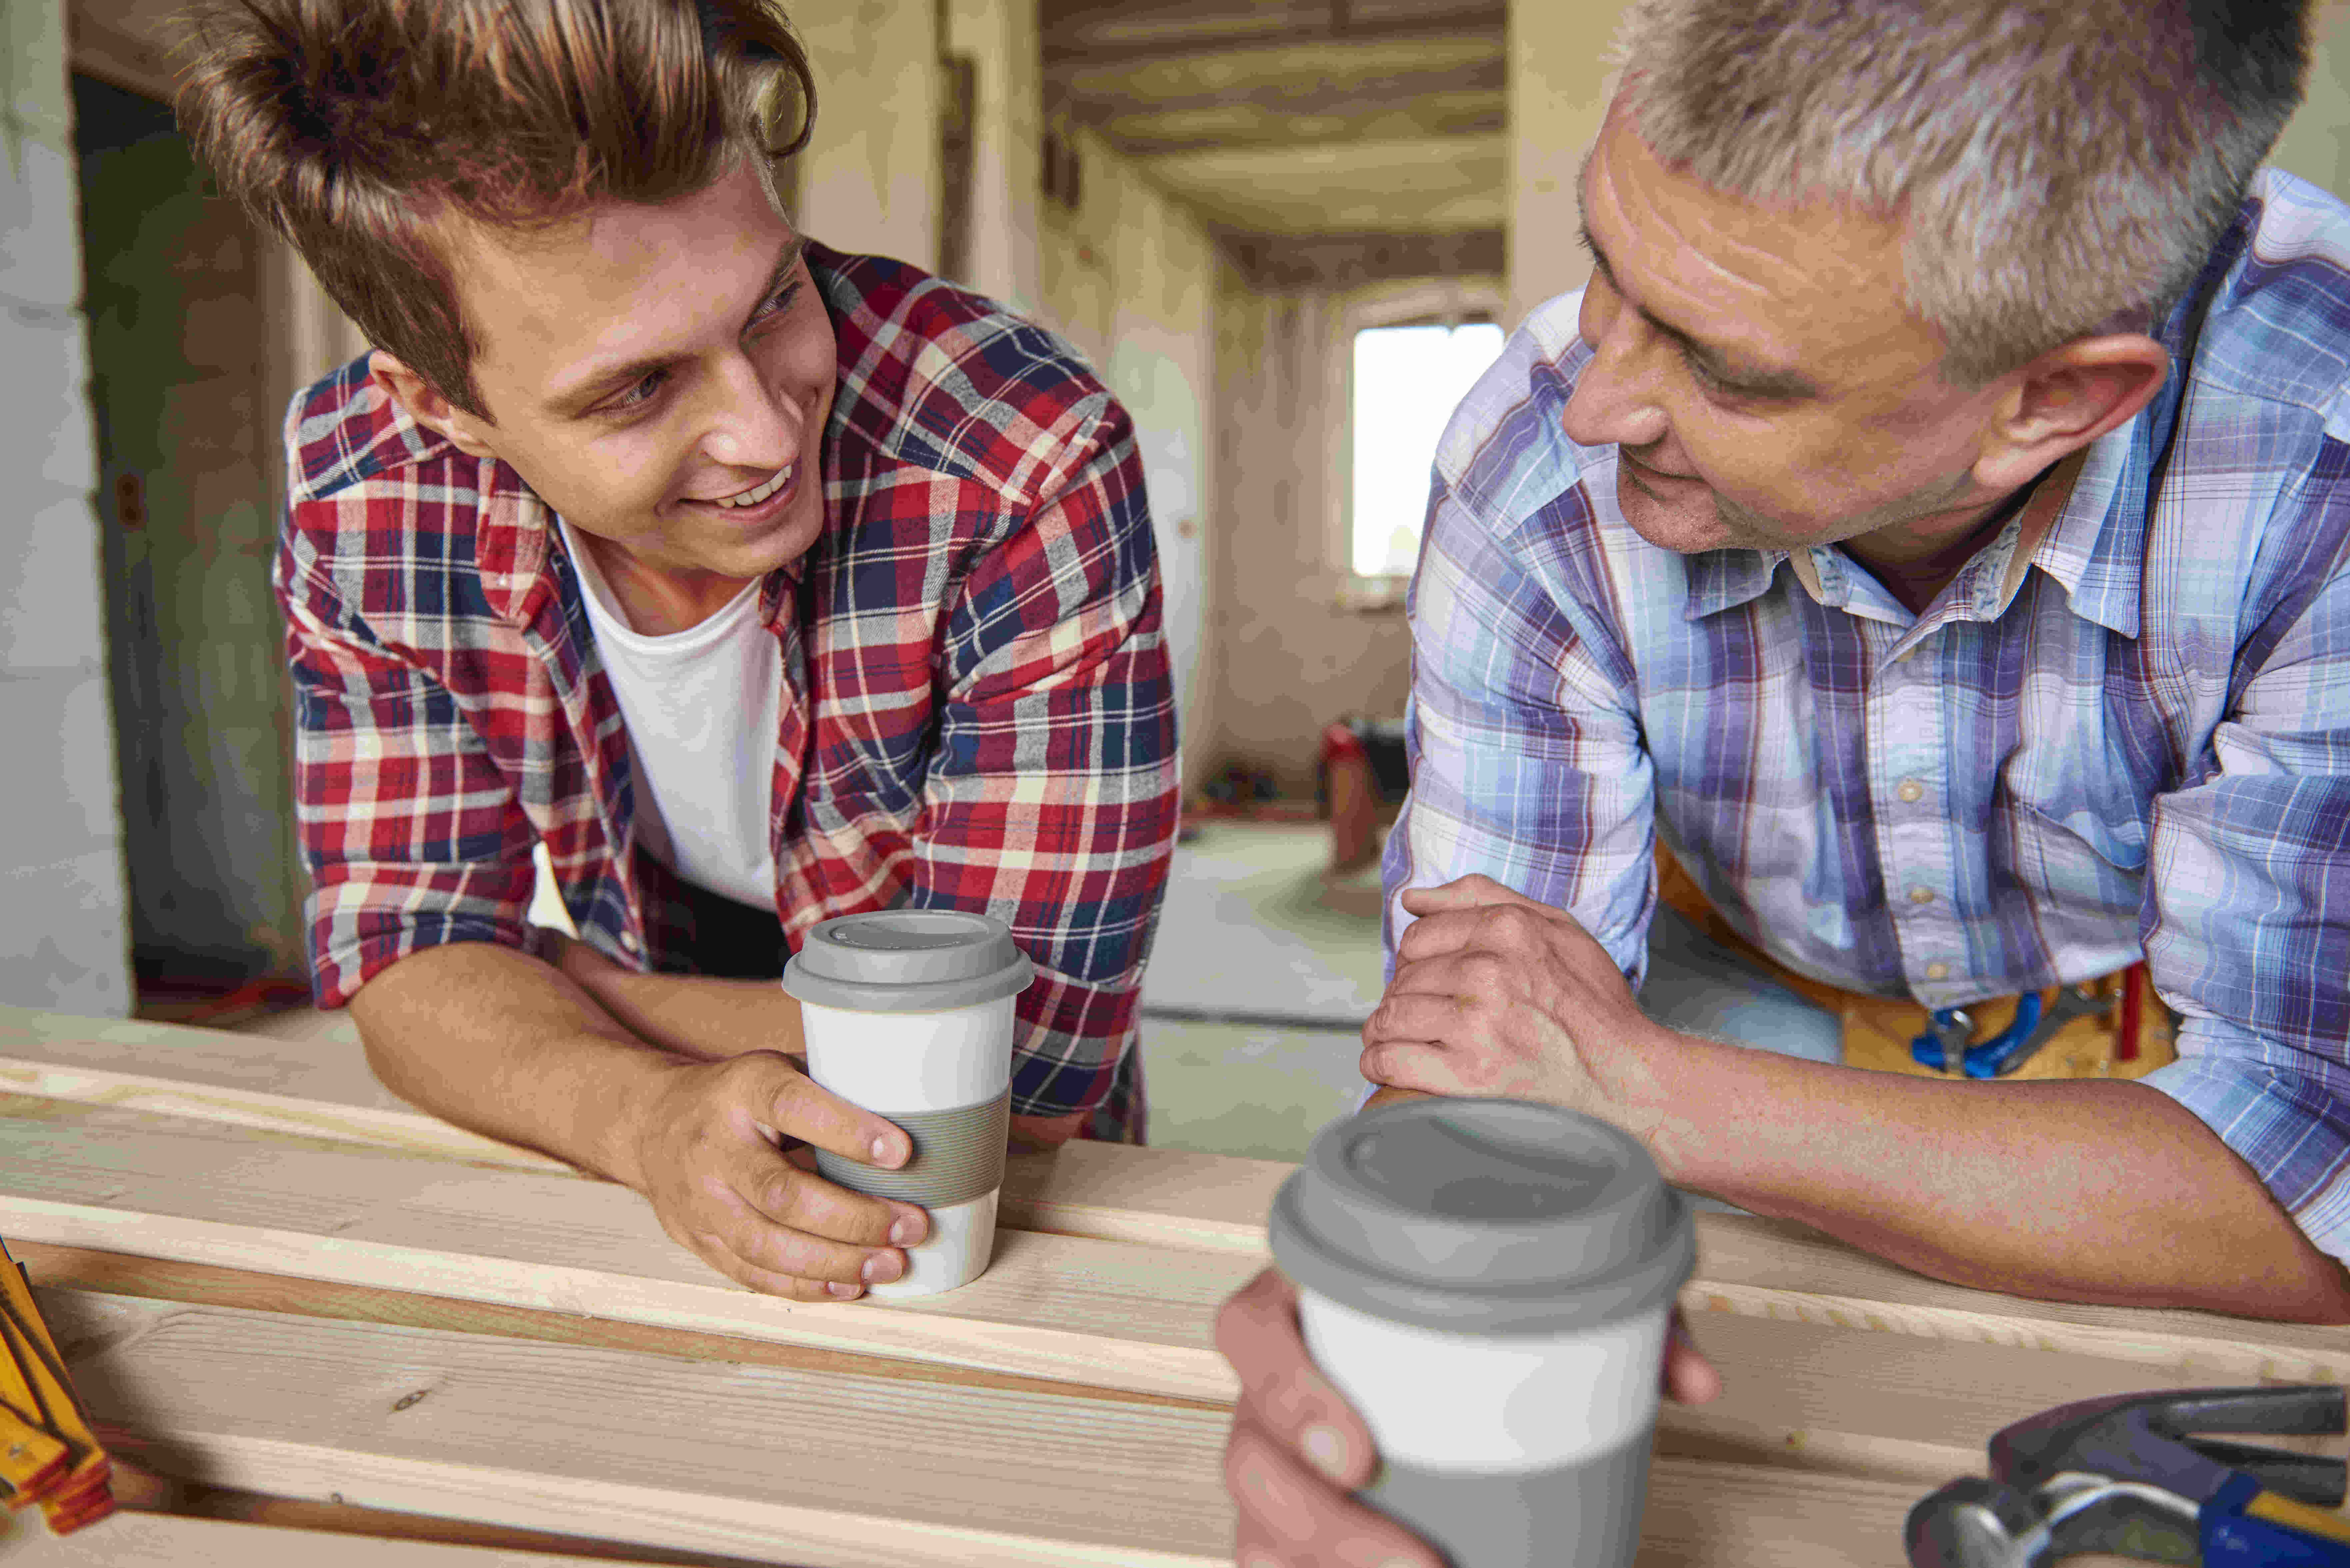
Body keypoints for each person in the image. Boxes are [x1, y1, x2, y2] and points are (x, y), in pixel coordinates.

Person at [1219, 0, 2350, 1559]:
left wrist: (1652, 1094)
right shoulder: (1538, 456)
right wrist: (1377, 1281)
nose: (1596, 402)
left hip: (2155, 1032)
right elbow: (1492, 1038)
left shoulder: (2325, 464)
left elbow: (2309, 1176)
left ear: (2056, 404)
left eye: (1733, 373)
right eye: (1609, 269)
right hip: (1730, 987)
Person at [176, 0, 1176, 1305]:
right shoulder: (365, 488)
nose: (765, 431)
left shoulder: (1017, 454)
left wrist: (539, 987)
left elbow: (1022, 1065)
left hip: (1011, 1232)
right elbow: (402, 956)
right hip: (646, 1174)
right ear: (444, 405)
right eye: (640, 388)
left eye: (772, 302)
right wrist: (642, 1117)